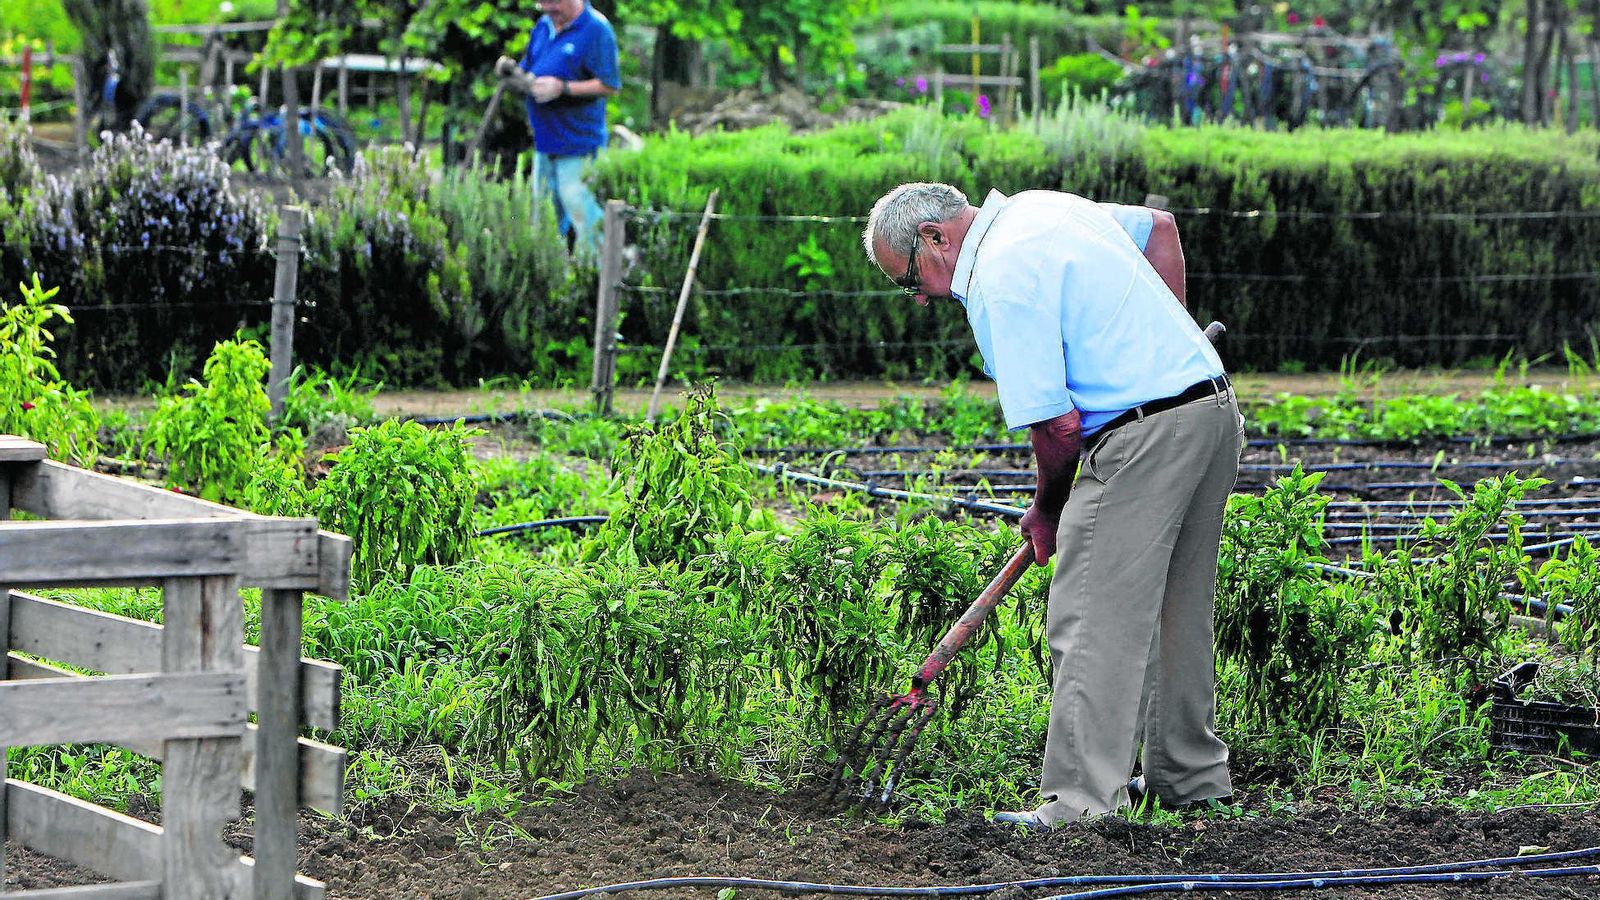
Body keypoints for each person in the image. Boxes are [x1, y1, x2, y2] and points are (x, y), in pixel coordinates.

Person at [861, 183, 1241, 828]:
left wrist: (1046, 510)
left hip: (1140, 438)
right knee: (1177, 608)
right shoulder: (1043, 208)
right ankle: (1188, 779)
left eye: (910, 281)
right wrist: (1162, 342)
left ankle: (1080, 803)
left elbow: (1058, 429)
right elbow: (1160, 229)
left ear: (934, 237)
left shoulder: (998, 283)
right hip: (1208, 413)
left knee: (1089, 615)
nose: (921, 298)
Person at [516, 0, 621, 258]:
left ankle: (593, 285)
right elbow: (528, 67)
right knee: (544, 223)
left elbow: (610, 85)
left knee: (586, 219)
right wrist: (517, 77)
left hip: (578, 145)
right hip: (545, 143)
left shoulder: (596, 29)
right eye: (543, 4)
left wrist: (563, 88)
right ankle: (553, 284)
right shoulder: (543, 26)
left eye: (554, 3)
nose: (548, 10)